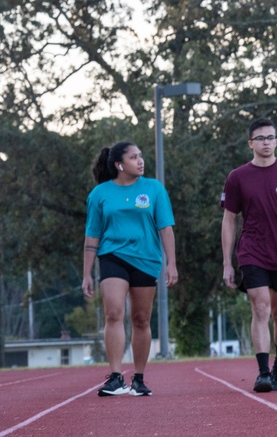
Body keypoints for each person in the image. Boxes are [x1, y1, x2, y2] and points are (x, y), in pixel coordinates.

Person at [221, 117, 277, 393]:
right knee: (260, 307)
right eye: (260, 138)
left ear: (276, 141)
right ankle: (263, 372)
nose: (266, 142)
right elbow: (229, 219)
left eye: (270, 137)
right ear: (251, 143)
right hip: (252, 250)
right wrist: (227, 263)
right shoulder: (237, 177)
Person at [82, 141, 178, 397]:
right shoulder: (99, 194)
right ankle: (115, 377)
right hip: (112, 256)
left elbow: (166, 228)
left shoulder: (154, 189)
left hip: (147, 259)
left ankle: (138, 378)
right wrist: (87, 273)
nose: (140, 161)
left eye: (141, 156)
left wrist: (171, 263)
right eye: (134, 157)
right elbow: (92, 236)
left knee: (141, 318)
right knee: (114, 312)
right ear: (119, 165)